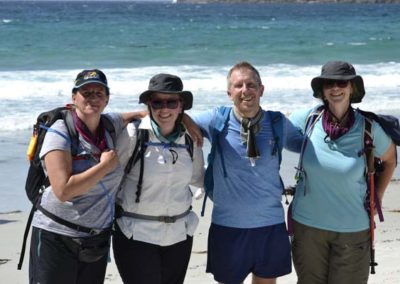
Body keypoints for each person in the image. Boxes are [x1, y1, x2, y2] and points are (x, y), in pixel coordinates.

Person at [185, 61, 303, 284]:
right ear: (229, 93)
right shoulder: (215, 120)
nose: (245, 90)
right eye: (238, 85)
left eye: (251, 84)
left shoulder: (278, 123)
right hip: (228, 226)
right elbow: (174, 119)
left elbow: (308, 146)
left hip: (271, 224)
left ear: (261, 90)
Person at [288, 61, 397, 284]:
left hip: (353, 228)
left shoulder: (368, 127)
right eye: (329, 83)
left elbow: (390, 160)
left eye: (342, 83)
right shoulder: (307, 119)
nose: (335, 88)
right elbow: (270, 130)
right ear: (322, 91)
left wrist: (378, 197)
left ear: (352, 88)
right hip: (307, 227)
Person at [29, 69, 136, 284]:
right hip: (56, 235)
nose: (93, 98)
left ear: (107, 99)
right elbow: (63, 191)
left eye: (99, 93)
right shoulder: (60, 132)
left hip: (96, 238)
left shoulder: (109, 125)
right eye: (86, 93)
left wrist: (187, 122)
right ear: (74, 97)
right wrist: (105, 166)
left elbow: (138, 114)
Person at [113, 73, 205, 284]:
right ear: (149, 105)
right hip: (136, 235)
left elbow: (198, 179)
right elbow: (110, 178)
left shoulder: (191, 139)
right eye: (157, 102)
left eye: (171, 102)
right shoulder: (132, 134)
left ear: (181, 105)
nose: (164, 109)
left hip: (179, 236)